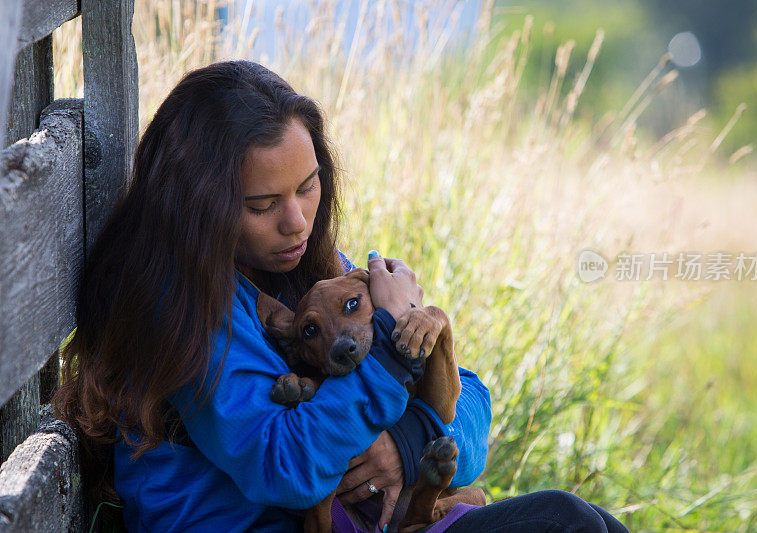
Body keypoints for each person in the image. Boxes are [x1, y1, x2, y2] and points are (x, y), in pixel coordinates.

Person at [52, 60, 627, 532]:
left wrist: (406, 443)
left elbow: (472, 400)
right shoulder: (180, 305)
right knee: (567, 522)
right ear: (200, 206)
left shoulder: (312, 273)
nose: (297, 221)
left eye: (308, 186)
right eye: (262, 205)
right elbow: (285, 467)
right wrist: (396, 352)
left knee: (598, 524)